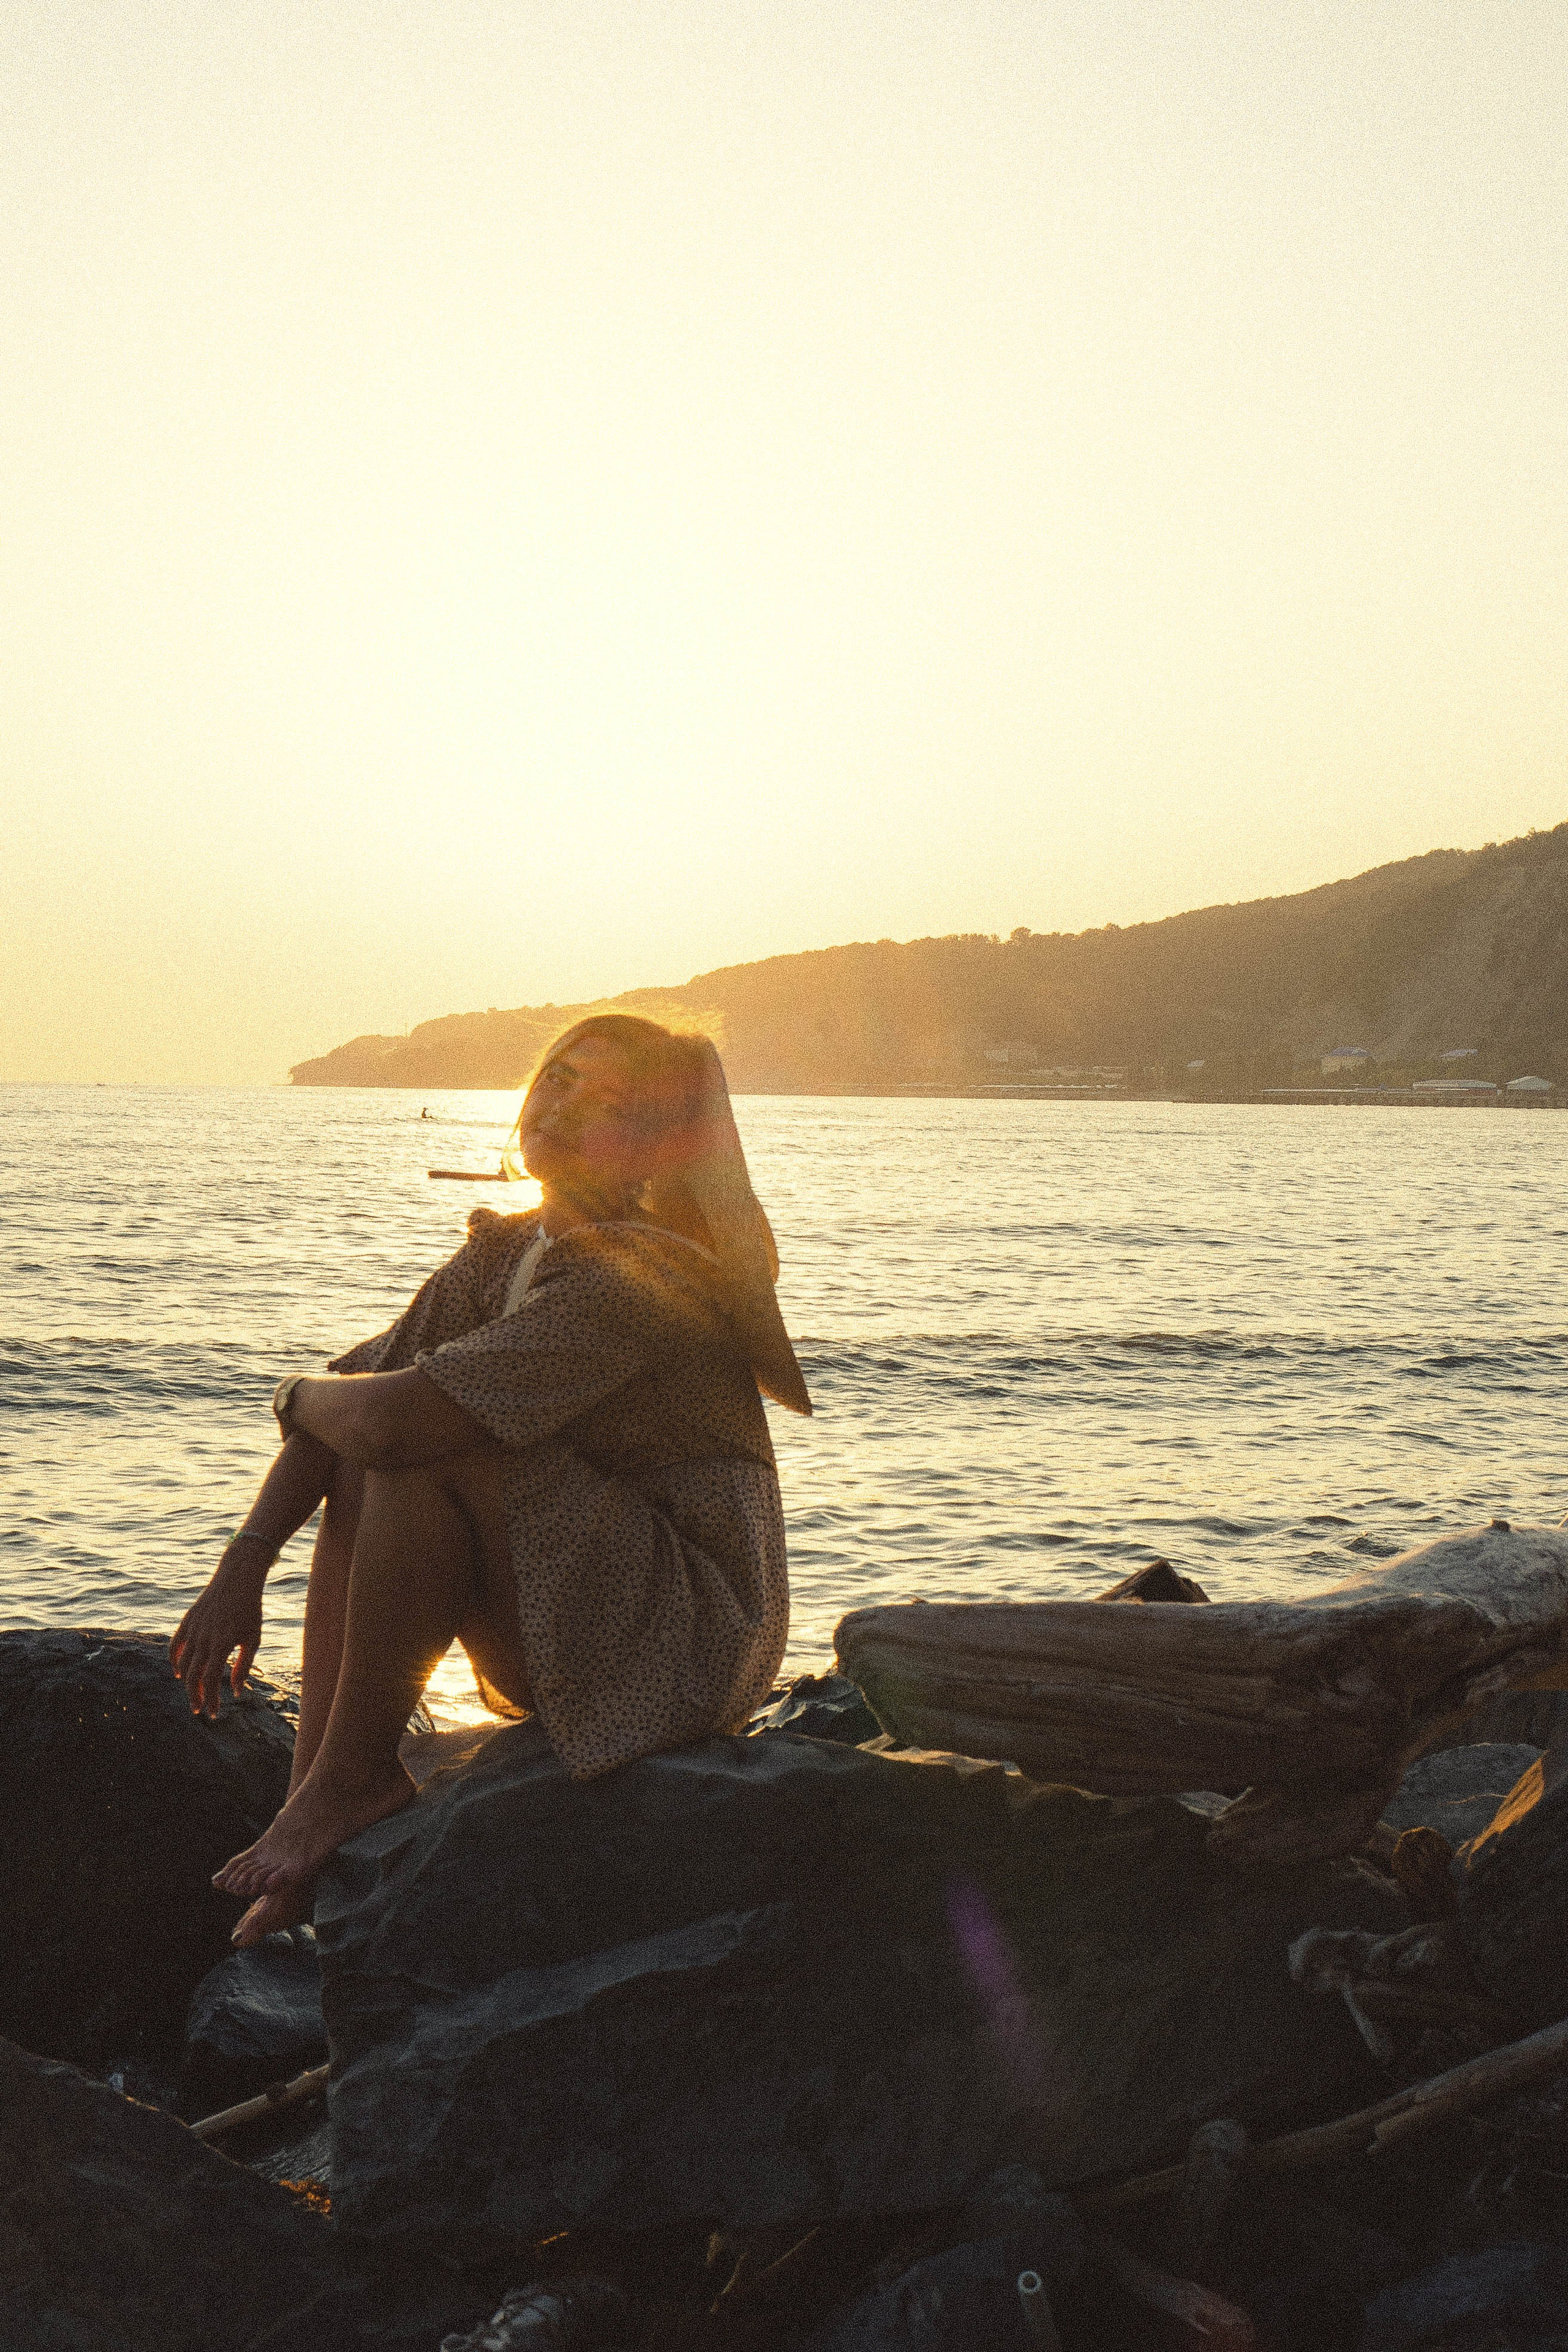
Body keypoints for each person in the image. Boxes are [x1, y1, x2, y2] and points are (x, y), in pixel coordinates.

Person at [170, 1016, 810, 1946]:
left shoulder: (643, 1278)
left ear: (652, 1148)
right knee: (376, 1453)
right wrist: (244, 1562)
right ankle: (319, 1795)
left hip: (689, 1642)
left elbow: (389, 1420)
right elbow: (359, 1402)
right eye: (558, 1078)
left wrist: (293, 1392)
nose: (562, 1104)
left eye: (607, 1100)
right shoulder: (502, 1253)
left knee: (426, 1444)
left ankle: (351, 1782)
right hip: (570, 1605)